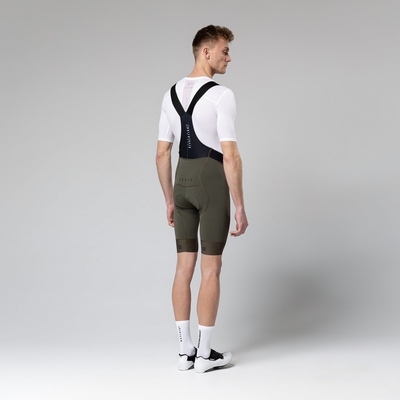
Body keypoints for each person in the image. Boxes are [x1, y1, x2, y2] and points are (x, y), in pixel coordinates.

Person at [156, 25, 248, 373]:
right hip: (210, 183)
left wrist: (169, 199)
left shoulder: (169, 94)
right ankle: (206, 355)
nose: (229, 58)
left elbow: (161, 154)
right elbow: (231, 156)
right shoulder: (222, 95)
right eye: (225, 51)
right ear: (205, 52)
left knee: (183, 267)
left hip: (181, 182)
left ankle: (185, 352)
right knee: (211, 269)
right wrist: (239, 205)